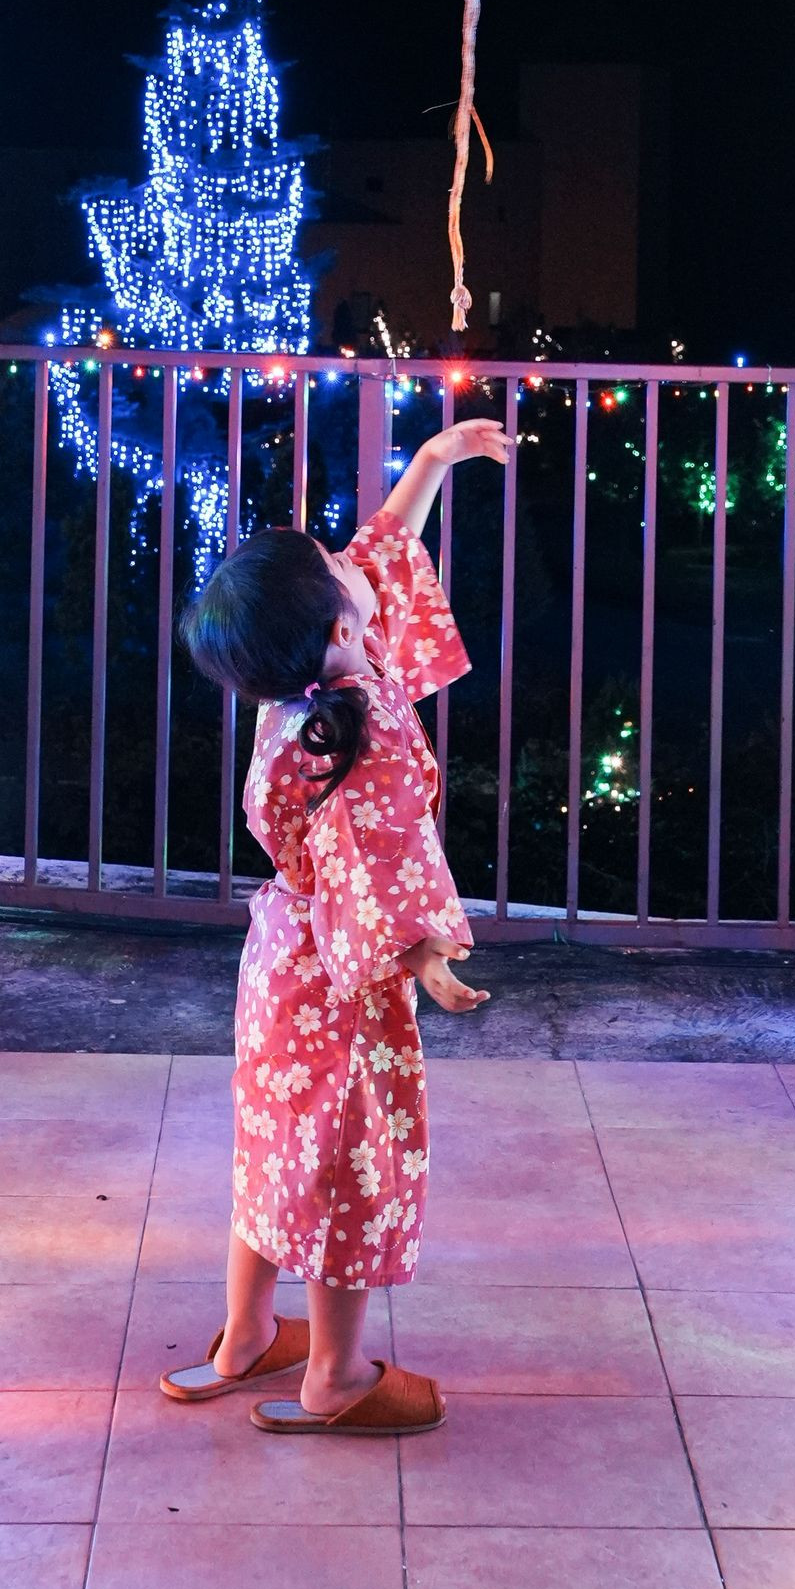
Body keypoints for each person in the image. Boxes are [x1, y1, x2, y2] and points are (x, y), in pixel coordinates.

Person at [161, 416, 506, 1434]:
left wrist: (432, 461)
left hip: (281, 956)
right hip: (341, 973)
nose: (351, 555)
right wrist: (426, 950)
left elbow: (378, 554)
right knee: (346, 1161)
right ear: (342, 631)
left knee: (274, 1143)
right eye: (334, 563)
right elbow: (378, 861)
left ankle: (244, 1338)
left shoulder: (306, 694)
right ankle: (336, 1377)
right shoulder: (365, 729)